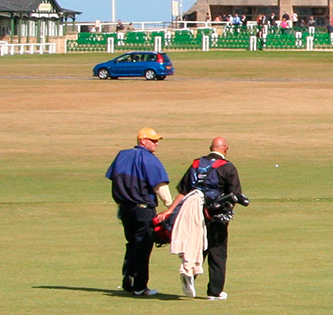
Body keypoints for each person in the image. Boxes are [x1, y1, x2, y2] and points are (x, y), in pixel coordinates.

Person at [177, 136, 247, 300]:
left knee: (196, 248)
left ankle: (189, 276)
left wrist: (172, 210)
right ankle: (215, 291)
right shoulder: (228, 168)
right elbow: (235, 194)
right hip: (216, 217)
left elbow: (184, 189)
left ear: (211, 148)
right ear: (225, 148)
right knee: (217, 252)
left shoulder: (196, 164)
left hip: (193, 214)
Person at [105, 128, 171, 296]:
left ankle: (128, 276)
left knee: (132, 243)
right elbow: (160, 186)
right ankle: (140, 287)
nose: (156, 143)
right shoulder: (149, 159)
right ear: (142, 141)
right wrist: (170, 205)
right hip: (143, 209)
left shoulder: (122, 155)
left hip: (125, 209)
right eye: (152, 140)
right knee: (142, 246)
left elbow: (115, 178)